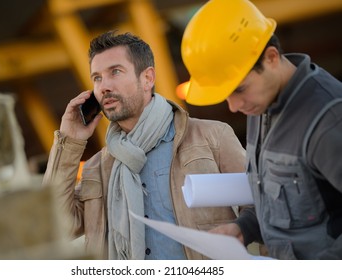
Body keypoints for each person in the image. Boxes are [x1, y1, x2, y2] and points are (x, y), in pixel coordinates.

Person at [42, 30, 246, 260]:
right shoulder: (96, 168)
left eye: (115, 72)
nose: (104, 86)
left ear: (148, 78)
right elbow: (53, 226)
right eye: (97, 78)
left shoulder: (211, 136)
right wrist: (69, 140)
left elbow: (263, 207)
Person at [180, 0, 342, 259]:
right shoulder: (262, 104)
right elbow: (282, 197)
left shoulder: (328, 119)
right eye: (226, 95)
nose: (233, 107)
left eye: (239, 90)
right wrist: (244, 228)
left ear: (271, 58)